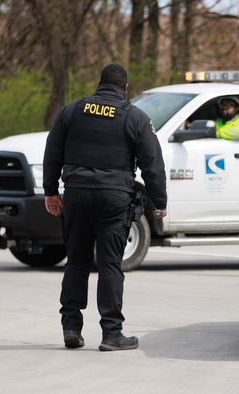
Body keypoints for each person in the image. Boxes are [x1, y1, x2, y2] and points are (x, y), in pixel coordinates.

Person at [43, 64, 167, 351]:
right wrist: (159, 202)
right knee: (110, 263)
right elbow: (152, 164)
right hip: (114, 199)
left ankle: (71, 328)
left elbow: (52, 152)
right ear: (125, 88)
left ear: (99, 85)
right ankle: (112, 334)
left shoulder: (71, 110)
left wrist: (51, 191)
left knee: (76, 260)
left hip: (76, 195)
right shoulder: (135, 117)